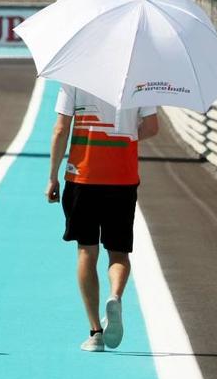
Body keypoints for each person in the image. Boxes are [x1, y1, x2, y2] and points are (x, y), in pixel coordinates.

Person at [45, 83, 160, 352]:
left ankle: (95, 332)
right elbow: (152, 128)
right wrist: (124, 136)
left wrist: (52, 176)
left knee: (86, 251)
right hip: (123, 178)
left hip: (82, 177)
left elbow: (60, 129)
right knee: (118, 252)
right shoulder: (140, 79)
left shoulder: (74, 77)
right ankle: (115, 296)